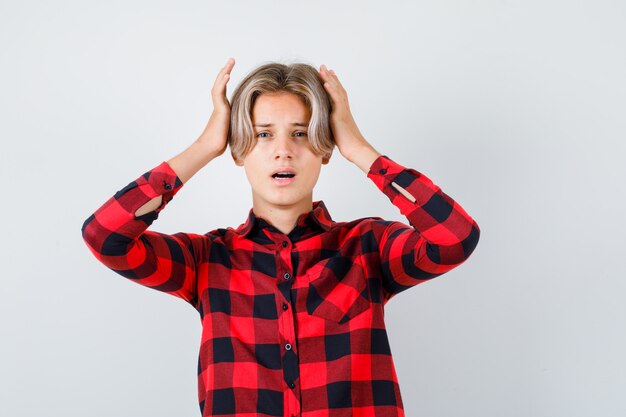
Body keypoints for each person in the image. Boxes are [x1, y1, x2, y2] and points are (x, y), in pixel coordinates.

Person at [81, 57, 481, 417]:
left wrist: (358, 148)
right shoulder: (206, 260)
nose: (283, 152)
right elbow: (105, 236)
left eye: (302, 134)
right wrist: (205, 146)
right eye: (263, 135)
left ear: (326, 147)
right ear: (238, 151)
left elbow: (455, 238)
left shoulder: (368, 247)